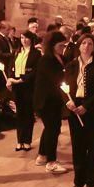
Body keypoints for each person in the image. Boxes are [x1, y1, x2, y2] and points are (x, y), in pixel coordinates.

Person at [64, 34, 94, 187]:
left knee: (93, 146)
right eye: (84, 43)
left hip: (93, 109)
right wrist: (68, 102)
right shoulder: (71, 65)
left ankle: (91, 181)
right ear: (79, 46)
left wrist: (86, 106)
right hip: (74, 107)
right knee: (78, 146)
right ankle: (78, 180)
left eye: (90, 44)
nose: (87, 46)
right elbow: (64, 86)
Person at [33, 31, 69, 174]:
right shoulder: (46, 60)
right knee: (53, 129)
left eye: (64, 45)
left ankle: (42, 155)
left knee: (50, 128)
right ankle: (51, 162)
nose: (63, 47)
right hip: (46, 101)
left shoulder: (59, 57)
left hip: (54, 101)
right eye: (61, 45)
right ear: (52, 45)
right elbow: (57, 78)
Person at [7, 31, 40, 151]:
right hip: (17, 86)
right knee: (19, 113)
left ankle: (27, 140)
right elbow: (11, 66)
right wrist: (10, 79)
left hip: (28, 86)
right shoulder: (16, 52)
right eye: (22, 38)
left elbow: (35, 71)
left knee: (28, 113)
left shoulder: (36, 54)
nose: (24, 40)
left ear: (31, 39)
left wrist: (21, 79)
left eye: (26, 38)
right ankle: (19, 140)